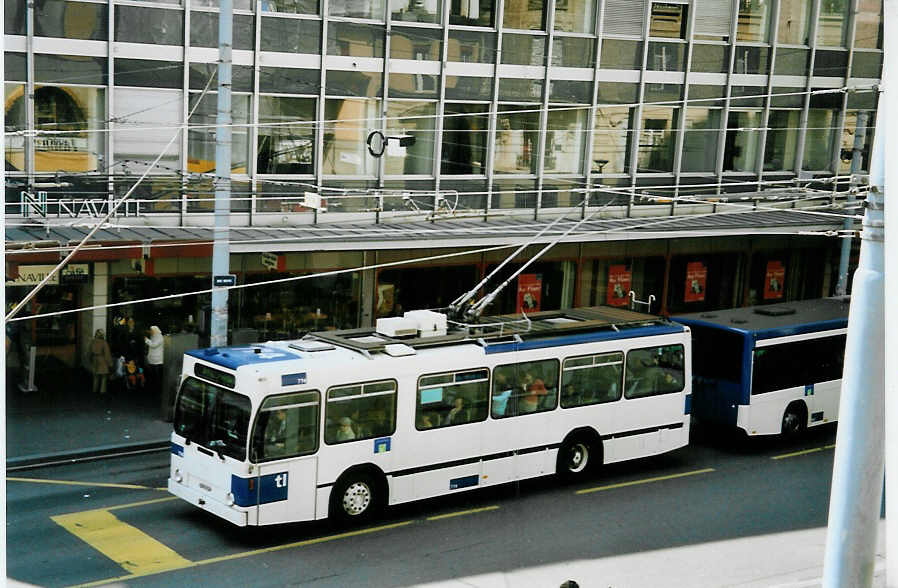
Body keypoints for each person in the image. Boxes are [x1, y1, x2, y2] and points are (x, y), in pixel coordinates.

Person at [89, 329, 113, 395]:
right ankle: (102, 391)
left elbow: (89, 352)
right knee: (104, 376)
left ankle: (94, 389)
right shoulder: (104, 342)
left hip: (95, 359)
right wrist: (110, 364)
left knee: (96, 376)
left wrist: (90, 360)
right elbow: (107, 354)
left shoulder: (92, 342)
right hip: (102, 359)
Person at [144, 325, 164, 398]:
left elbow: (154, 345)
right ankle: (153, 390)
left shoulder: (160, 337)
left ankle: (158, 391)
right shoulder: (153, 336)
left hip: (158, 361)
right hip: (152, 361)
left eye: (151, 330)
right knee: (152, 376)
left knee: (157, 377)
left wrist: (146, 340)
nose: (150, 332)